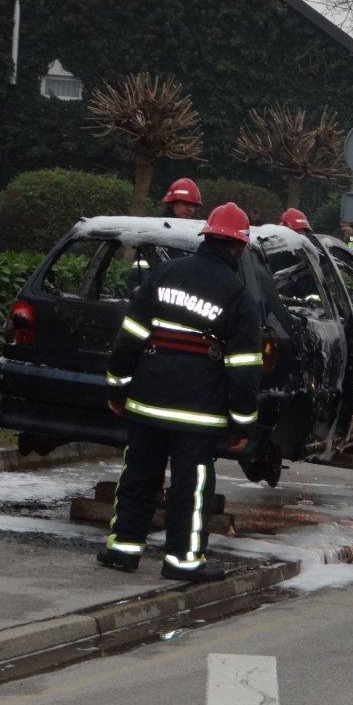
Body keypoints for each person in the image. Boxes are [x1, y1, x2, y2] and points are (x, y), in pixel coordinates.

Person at [99, 202, 262, 582]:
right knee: (191, 487)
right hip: (197, 415)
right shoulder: (238, 295)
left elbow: (130, 338)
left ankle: (123, 551)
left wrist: (117, 388)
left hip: (147, 403)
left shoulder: (164, 274)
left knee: (139, 475)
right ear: (239, 246)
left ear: (206, 236)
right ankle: (182, 561)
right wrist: (242, 425)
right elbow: (243, 368)